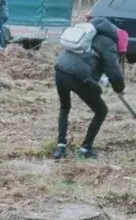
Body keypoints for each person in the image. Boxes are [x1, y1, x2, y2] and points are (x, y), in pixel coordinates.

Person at [53, 18, 125, 160]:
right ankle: (85, 149)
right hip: (78, 76)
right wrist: (119, 88)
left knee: (64, 107)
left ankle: (60, 147)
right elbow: (115, 74)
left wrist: (101, 81)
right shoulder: (108, 43)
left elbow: (89, 61)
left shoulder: (87, 33)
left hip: (60, 68)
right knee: (101, 110)